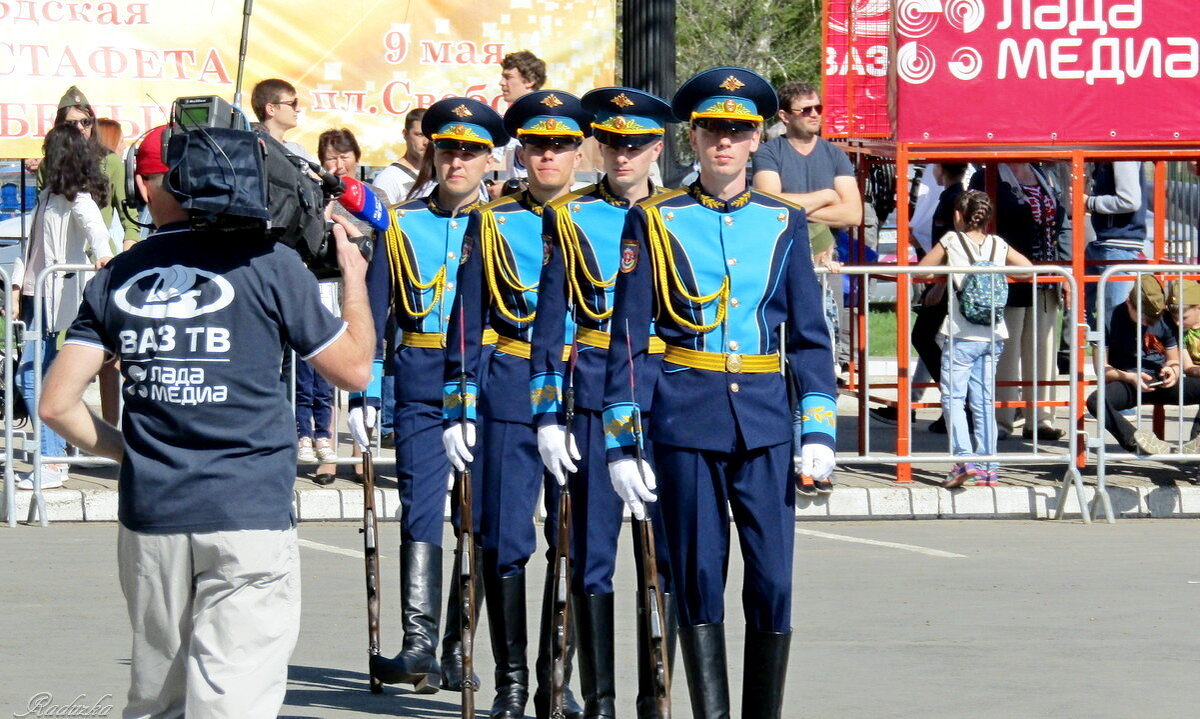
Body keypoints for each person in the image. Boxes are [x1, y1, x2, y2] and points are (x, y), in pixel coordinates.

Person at [37, 124, 374, 717]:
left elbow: (56, 405)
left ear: (146, 188)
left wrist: (133, 451)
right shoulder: (272, 263)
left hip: (153, 513)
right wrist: (354, 282)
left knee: (157, 697)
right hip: (249, 512)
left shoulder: (117, 273)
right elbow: (353, 372)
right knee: (233, 699)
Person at [602, 67, 836, 719]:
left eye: (737, 130)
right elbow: (629, 335)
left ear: (758, 136)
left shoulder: (784, 223)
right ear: (694, 139)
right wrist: (624, 440)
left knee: (773, 580)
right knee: (700, 578)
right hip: (686, 418)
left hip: (763, 421)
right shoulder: (653, 220)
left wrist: (816, 427)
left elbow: (811, 338)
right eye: (711, 130)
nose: (724, 143)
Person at [529, 86, 677, 718]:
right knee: (590, 558)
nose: (623, 155)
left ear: (656, 147)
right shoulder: (569, 216)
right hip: (589, 396)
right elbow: (549, 320)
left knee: (664, 556)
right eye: (613, 143)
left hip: (665, 398)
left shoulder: (678, 214)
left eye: (636, 144)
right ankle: (601, 701)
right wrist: (545, 413)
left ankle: (655, 693)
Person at [442, 90, 588, 719]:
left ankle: (560, 679)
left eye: (560, 144)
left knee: (577, 544)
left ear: (581, 150)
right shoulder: (493, 221)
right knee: (503, 542)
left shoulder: (612, 220)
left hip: (583, 394)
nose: (547, 155)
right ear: (520, 151)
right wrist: (460, 402)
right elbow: (466, 320)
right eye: (536, 144)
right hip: (507, 390)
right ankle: (508, 682)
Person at [365, 97, 506, 693]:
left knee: (473, 518)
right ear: (433, 152)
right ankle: (419, 642)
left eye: (470, 152)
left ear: (487, 161)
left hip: (487, 385)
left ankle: (456, 646)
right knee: (421, 508)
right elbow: (374, 315)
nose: (457, 162)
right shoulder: (400, 225)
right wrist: (365, 394)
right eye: (448, 149)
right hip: (420, 382)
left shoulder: (505, 225)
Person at [11, 123, 114, 490]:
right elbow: (31, 249)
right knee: (40, 377)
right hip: (35, 296)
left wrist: (103, 256)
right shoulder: (45, 197)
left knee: (34, 375)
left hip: (59, 299)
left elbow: (96, 232)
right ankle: (59, 449)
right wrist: (18, 286)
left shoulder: (78, 197)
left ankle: (53, 461)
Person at [917, 190, 1032, 487]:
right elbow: (1028, 271)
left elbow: (921, 272)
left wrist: (946, 275)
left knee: (954, 399)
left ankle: (963, 460)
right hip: (993, 334)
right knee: (984, 400)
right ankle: (988, 466)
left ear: (958, 216)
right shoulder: (998, 244)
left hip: (960, 334)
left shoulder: (951, 241)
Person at [971, 163, 1067, 441]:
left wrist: (1063, 269)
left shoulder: (1043, 174)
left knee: (1043, 350)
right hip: (1008, 279)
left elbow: (1061, 225)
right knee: (1007, 352)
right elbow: (977, 227)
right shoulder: (987, 176)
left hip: (1045, 277)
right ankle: (1002, 418)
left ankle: (1040, 418)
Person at [1086, 274, 1200, 456]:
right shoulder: (1108, 319)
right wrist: (1129, 377)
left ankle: (1196, 444)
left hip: (1161, 380)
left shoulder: (1164, 318)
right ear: (1129, 303)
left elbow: (1174, 359)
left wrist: (1172, 370)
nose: (1149, 323)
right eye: (1145, 319)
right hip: (1128, 382)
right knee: (1095, 401)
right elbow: (1102, 368)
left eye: (1153, 319)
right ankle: (1135, 441)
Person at [40, 87, 141, 252]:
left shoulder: (110, 161)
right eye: (72, 123)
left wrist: (129, 243)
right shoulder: (47, 165)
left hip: (99, 258)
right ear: (61, 127)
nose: (80, 127)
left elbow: (129, 214)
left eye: (85, 122)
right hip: (58, 259)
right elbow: (40, 215)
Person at [1084, 161, 1149, 326]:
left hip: (1119, 244)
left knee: (1114, 318)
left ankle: (1113, 348)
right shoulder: (1109, 157)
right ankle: (1102, 346)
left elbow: (1130, 200)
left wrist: (1089, 202)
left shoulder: (1122, 156)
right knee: (1081, 310)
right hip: (1107, 242)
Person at [490, 50, 548, 197]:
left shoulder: (548, 122)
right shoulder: (508, 121)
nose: (501, 83)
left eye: (508, 77)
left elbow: (564, 178)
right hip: (516, 206)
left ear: (529, 81)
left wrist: (507, 188)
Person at [373, 108, 429, 205]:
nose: (426, 142)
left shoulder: (441, 175)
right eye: (420, 135)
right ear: (405, 134)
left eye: (429, 135)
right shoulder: (388, 179)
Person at [251, 78, 314, 161]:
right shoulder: (252, 149)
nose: (298, 109)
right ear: (271, 109)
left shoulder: (298, 151)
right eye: (293, 104)